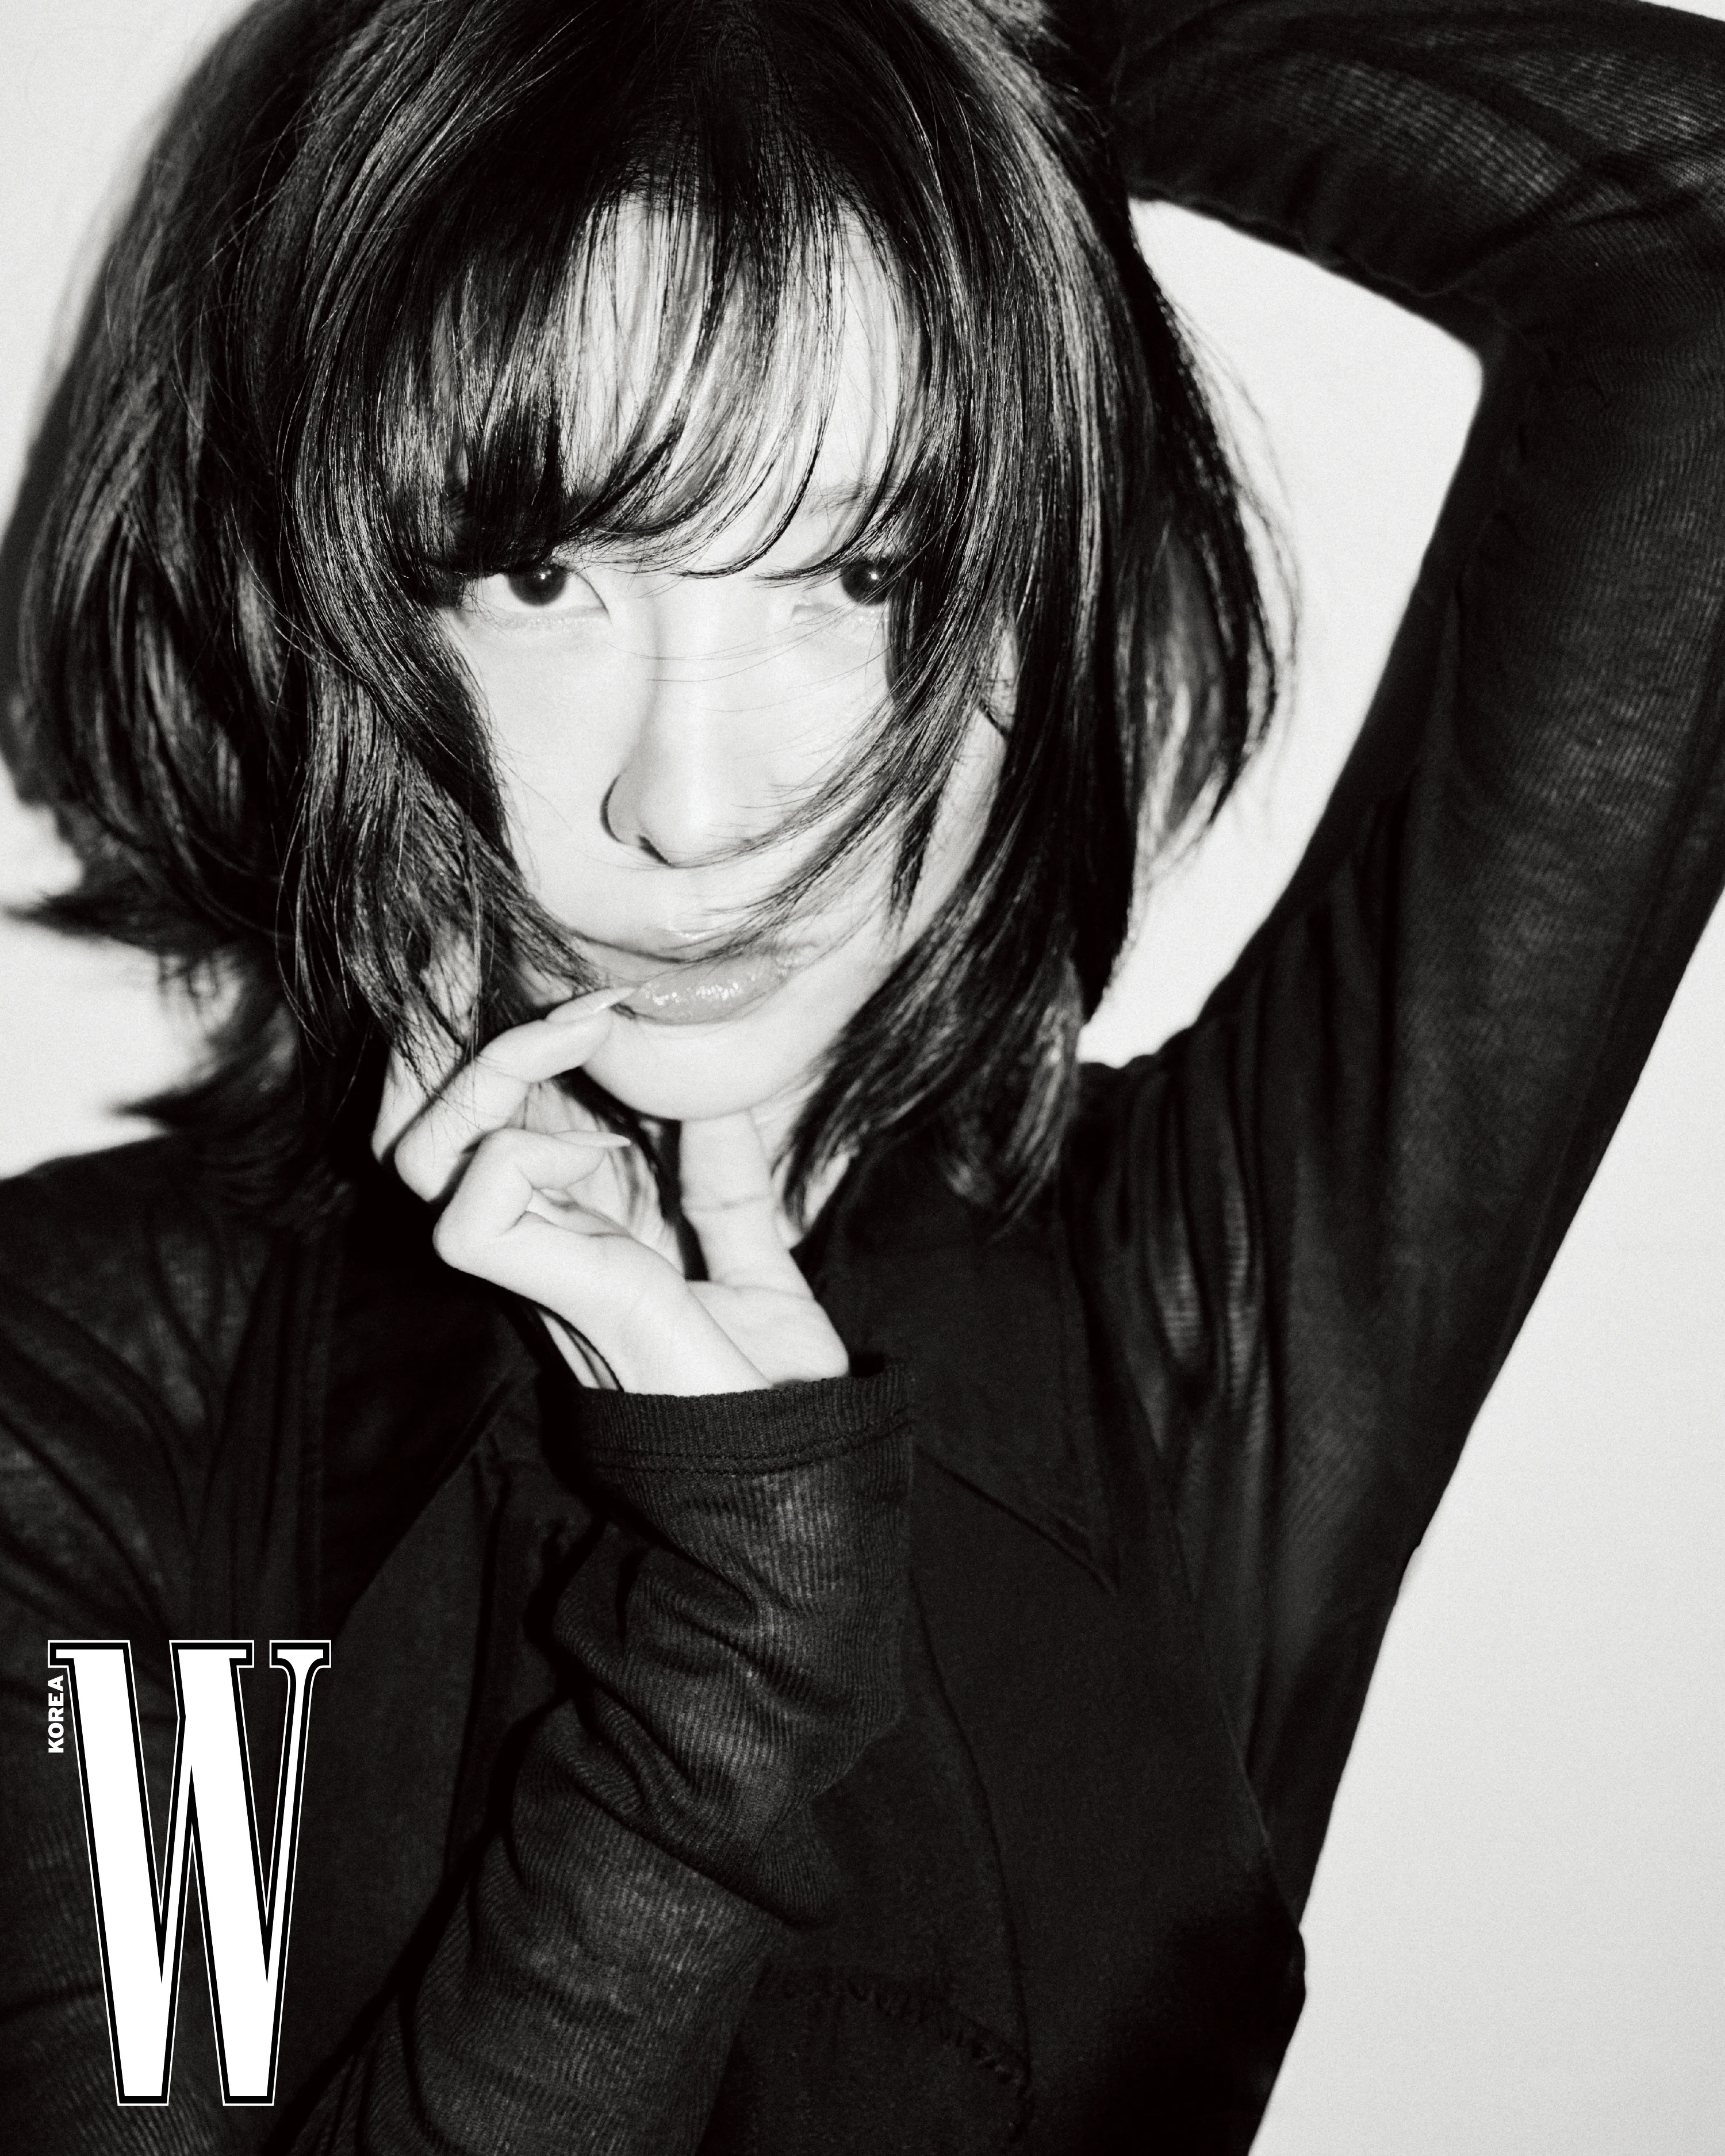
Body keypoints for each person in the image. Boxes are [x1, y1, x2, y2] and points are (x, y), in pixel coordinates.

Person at [3, 0, 1723, 2148]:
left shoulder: (1188, 1327)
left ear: (1029, 608)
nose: (693, 806)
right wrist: (737, 1631)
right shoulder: (117, 1408)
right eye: (543, 573)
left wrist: (956, 52)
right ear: (336, 599)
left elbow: (1689, 242)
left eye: (861, 573)